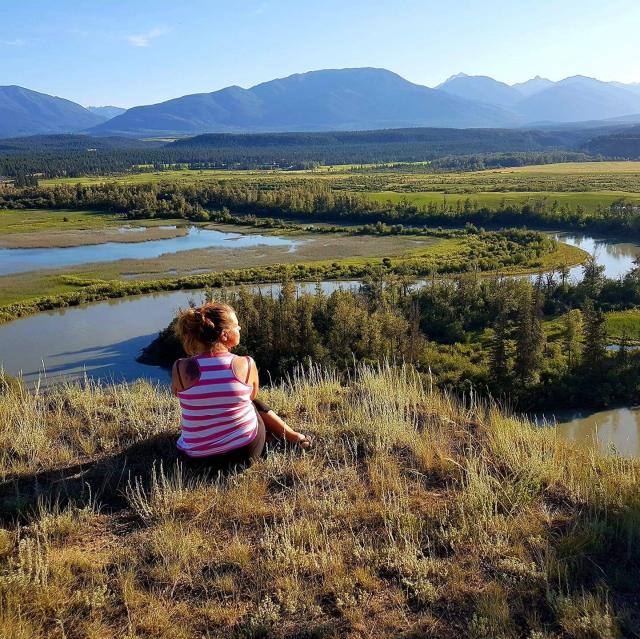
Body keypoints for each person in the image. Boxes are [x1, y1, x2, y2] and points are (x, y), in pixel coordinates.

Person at [171, 301, 312, 471]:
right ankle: (294, 437)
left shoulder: (179, 368)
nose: (240, 329)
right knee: (254, 404)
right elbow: (251, 398)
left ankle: (274, 438)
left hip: (196, 460)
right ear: (224, 335)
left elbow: (177, 394)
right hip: (244, 454)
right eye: (237, 327)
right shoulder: (245, 363)